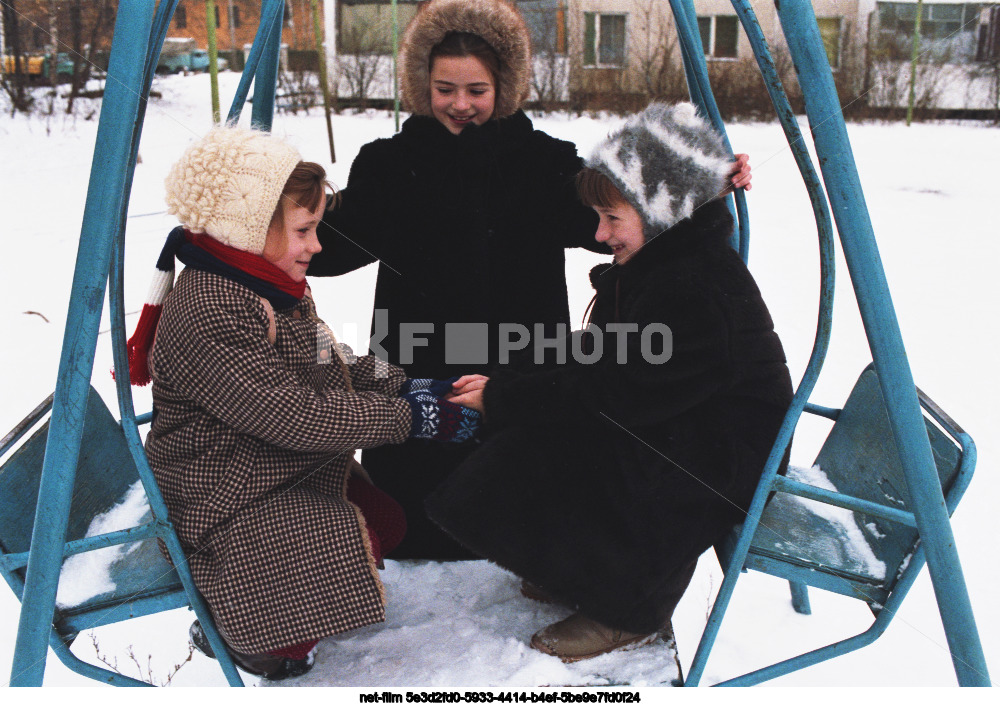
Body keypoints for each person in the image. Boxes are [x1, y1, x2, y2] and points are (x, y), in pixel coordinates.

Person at [309, 0, 753, 560]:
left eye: (477, 90)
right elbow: (338, 240)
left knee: (514, 516)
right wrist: (260, 221)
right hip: (419, 362)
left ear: (505, 87)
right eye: (445, 88)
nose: (460, 104)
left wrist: (697, 183)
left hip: (518, 359)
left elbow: (613, 219)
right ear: (423, 86)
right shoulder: (390, 164)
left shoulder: (544, 163)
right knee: (416, 531)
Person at [424, 102, 794, 662]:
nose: (599, 234)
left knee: (586, 451)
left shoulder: (692, 289)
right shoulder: (663, 267)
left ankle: (631, 608)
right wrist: (508, 381)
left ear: (663, 212)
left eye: (612, 218)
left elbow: (617, 392)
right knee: (544, 442)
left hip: (722, 457)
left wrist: (505, 396)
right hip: (691, 427)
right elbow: (605, 363)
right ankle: (582, 575)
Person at [128, 127, 480, 680]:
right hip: (216, 487)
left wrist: (415, 386)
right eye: (305, 230)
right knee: (354, 538)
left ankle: (294, 597)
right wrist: (412, 418)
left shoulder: (269, 285)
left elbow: (330, 361)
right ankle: (259, 641)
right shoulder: (210, 308)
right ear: (250, 226)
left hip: (254, 464)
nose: (317, 245)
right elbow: (292, 414)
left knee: (383, 521)